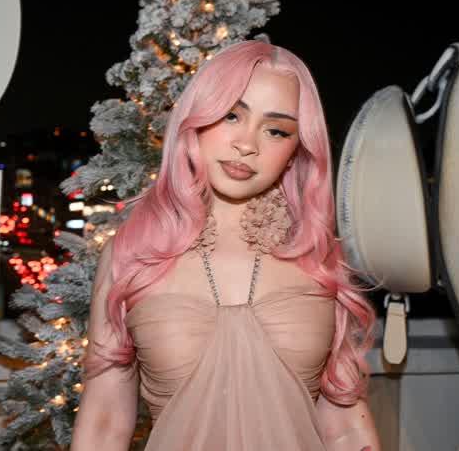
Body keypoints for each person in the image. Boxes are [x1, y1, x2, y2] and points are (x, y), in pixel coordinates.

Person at [71, 39, 381, 450]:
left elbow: (345, 428)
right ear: (196, 120)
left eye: (276, 130)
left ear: (296, 151)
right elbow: (104, 423)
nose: (247, 144)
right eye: (232, 115)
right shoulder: (133, 254)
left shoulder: (318, 256)